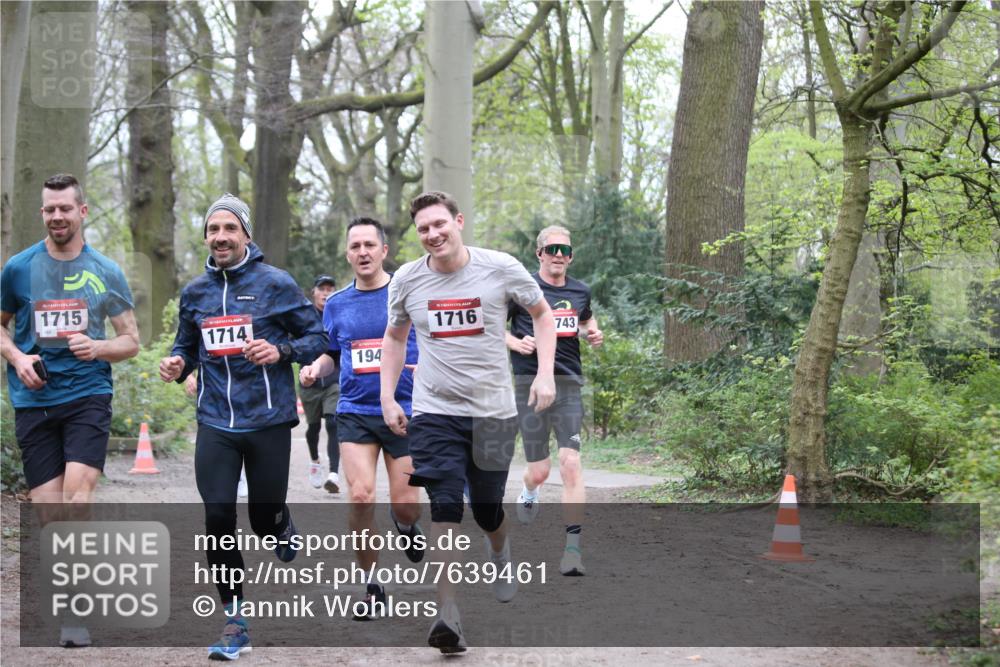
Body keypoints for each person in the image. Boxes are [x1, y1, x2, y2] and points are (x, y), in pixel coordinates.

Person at [380, 191, 556, 653]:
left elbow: (543, 315)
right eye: (423, 229)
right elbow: (395, 338)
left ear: (458, 221)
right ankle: (448, 615)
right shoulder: (407, 280)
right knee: (443, 506)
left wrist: (543, 375)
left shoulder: (499, 267)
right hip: (434, 411)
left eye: (440, 224)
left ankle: (499, 549)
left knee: (486, 510)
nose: (433, 234)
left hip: (493, 411)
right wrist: (387, 397)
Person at [158, 193, 326, 660]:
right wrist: (177, 364)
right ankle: (236, 621)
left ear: (246, 235)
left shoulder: (276, 284)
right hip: (215, 421)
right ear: (207, 238)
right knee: (217, 518)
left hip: (268, 420)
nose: (221, 237)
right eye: (213, 230)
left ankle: (279, 525)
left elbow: (317, 337)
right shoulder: (195, 293)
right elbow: (186, 347)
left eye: (230, 229)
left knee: (262, 519)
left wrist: (281, 352)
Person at [0, 173, 140, 648]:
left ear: (82, 212)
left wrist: (97, 347)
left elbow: (131, 341)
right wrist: (18, 358)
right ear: (43, 214)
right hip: (33, 401)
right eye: (49, 209)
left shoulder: (105, 270)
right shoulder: (18, 268)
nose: (57, 216)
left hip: (87, 397)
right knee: (49, 515)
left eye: (65, 208)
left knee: (78, 503)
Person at [300, 217, 423, 620]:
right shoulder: (336, 304)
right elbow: (334, 353)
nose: (363, 252)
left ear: (384, 250)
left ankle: (404, 526)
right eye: (355, 246)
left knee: (407, 506)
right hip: (355, 411)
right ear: (348, 253)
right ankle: (371, 584)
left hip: (404, 410)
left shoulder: (406, 293)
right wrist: (316, 368)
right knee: (361, 495)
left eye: (370, 245)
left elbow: (430, 341)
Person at [506, 225, 603, 576]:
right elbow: (490, 324)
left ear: (571, 256)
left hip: (568, 383)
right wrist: (513, 342)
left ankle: (573, 550)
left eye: (564, 250)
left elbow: (586, 318)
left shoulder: (580, 290)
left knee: (570, 462)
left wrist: (592, 331)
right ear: (539, 254)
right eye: (552, 249)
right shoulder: (523, 288)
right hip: (528, 384)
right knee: (540, 470)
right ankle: (529, 490)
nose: (558, 255)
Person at [298, 275, 341, 492]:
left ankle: (334, 474)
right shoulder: (304, 317)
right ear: (313, 292)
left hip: (334, 379)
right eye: (322, 289)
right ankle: (315, 461)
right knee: (313, 428)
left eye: (330, 289)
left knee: (333, 422)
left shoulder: (339, 313)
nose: (326, 293)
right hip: (310, 382)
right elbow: (295, 344)